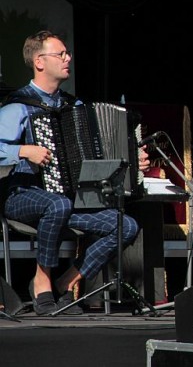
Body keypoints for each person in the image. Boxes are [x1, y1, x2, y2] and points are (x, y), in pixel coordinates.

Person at [0, 31, 147, 315]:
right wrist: (23, 150)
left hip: (65, 201)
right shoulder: (18, 106)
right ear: (39, 61)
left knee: (125, 225)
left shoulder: (75, 108)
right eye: (61, 54)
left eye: (67, 53)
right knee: (58, 204)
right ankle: (41, 280)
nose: (68, 58)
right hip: (22, 195)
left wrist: (131, 160)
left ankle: (66, 282)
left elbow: (98, 153)